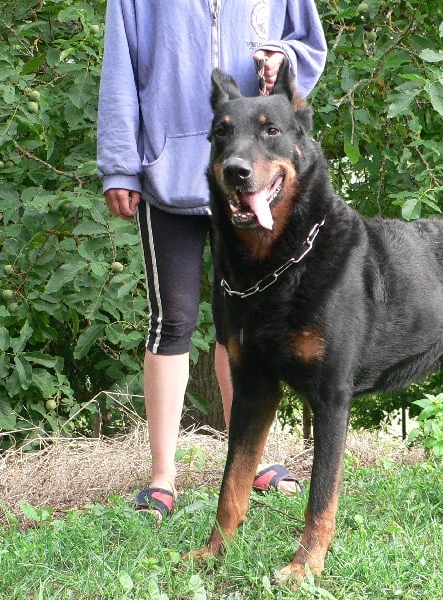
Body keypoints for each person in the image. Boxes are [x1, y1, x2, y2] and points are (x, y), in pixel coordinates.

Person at [97, 1, 327, 521]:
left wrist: (282, 55)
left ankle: (253, 464)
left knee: (244, 326)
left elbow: (308, 45)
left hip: (254, 184)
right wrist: (119, 166)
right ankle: (162, 478)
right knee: (172, 320)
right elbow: (120, 71)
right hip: (168, 176)